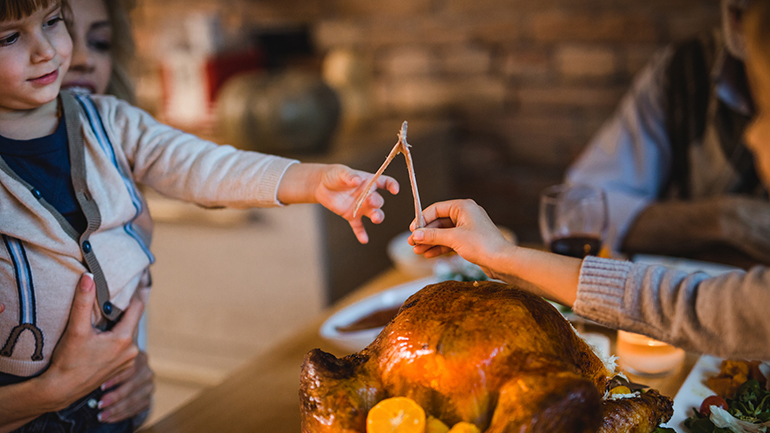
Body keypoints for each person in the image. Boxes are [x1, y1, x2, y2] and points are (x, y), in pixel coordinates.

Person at [0, 1, 400, 432]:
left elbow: (201, 164)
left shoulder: (108, 121)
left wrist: (310, 180)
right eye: (9, 37)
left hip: (116, 404)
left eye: (53, 22)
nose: (47, 51)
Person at [409, 0, 770, 361]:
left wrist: (502, 257)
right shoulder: (684, 73)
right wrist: (501, 256)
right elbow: (684, 305)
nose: (752, 137)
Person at [566, 0, 770, 263]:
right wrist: (727, 219)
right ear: (736, 19)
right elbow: (581, 209)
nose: (751, 138)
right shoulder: (685, 72)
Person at [61, 0, 151, 427]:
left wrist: (137, 378)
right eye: (53, 31)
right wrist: (45, 395)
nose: (83, 58)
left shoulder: (119, 185)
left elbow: (126, 349)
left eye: (99, 41)